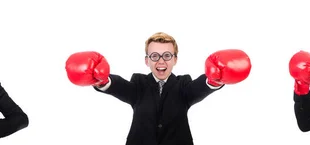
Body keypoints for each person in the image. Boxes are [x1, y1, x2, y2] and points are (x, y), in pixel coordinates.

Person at [65, 32, 252, 145]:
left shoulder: (183, 85)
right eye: (154, 56)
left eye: (167, 55)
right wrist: (101, 80)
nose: (161, 61)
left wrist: (215, 79)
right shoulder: (138, 84)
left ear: (175, 60)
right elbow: (121, 87)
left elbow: (198, 89)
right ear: (146, 61)